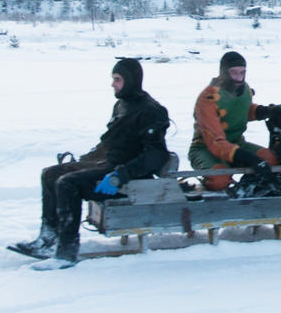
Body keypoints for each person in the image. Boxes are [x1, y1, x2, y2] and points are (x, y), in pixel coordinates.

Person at [10, 58, 171, 270]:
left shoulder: (151, 110)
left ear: (131, 80)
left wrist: (120, 175)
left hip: (130, 180)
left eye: (118, 79)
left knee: (68, 184)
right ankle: (48, 239)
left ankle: (66, 252)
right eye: (113, 79)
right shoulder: (122, 105)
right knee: (50, 174)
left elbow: (156, 155)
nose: (113, 84)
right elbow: (110, 143)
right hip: (109, 166)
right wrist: (85, 162)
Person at [189, 51, 281, 191]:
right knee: (220, 179)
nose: (239, 78)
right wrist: (249, 159)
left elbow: (242, 110)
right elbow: (215, 142)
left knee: (270, 160)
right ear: (224, 72)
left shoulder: (245, 90)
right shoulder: (208, 98)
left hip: (236, 143)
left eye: (242, 72)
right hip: (205, 148)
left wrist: (267, 111)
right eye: (234, 73)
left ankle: (251, 189)